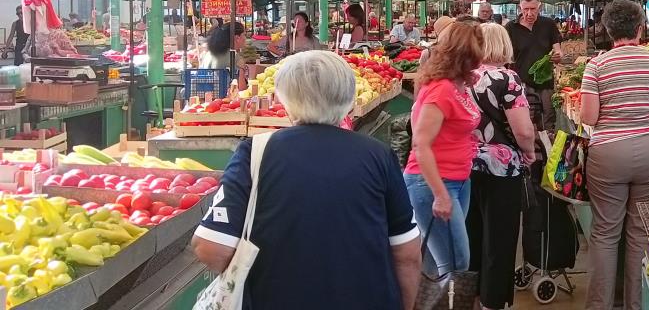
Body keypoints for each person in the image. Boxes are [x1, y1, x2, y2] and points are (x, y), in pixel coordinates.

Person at [191, 51, 422, 310]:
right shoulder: (379, 155)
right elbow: (407, 254)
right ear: (348, 98)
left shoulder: (255, 153)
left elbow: (210, 247)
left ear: (284, 98)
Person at [579, 0, 649, 310]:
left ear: (608, 31)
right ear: (641, 28)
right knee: (640, 232)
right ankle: (636, 304)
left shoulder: (596, 66)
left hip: (609, 155)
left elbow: (588, 117)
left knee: (605, 234)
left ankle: (599, 305)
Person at [466, 23, 536, 310]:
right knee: (499, 240)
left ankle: (469, 296)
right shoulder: (507, 79)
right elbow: (523, 131)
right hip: (501, 169)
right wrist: (530, 153)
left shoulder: (463, 77)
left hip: (465, 165)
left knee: (472, 237)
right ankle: (492, 302)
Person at [406, 22, 483, 275]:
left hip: (457, 180)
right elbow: (421, 143)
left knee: (441, 261)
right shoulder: (441, 91)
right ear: (466, 55)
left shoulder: (455, 85)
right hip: (434, 183)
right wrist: (440, 194)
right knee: (455, 263)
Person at [506, 0, 562, 131]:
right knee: (527, 120)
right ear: (520, 9)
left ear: (539, 7)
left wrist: (557, 55)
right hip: (522, 82)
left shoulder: (548, 24)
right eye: (526, 9)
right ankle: (530, 149)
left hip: (545, 81)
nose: (529, 13)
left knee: (549, 118)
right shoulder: (510, 28)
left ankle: (549, 148)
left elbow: (558, 50)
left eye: (533, 9)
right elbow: (505, 56)